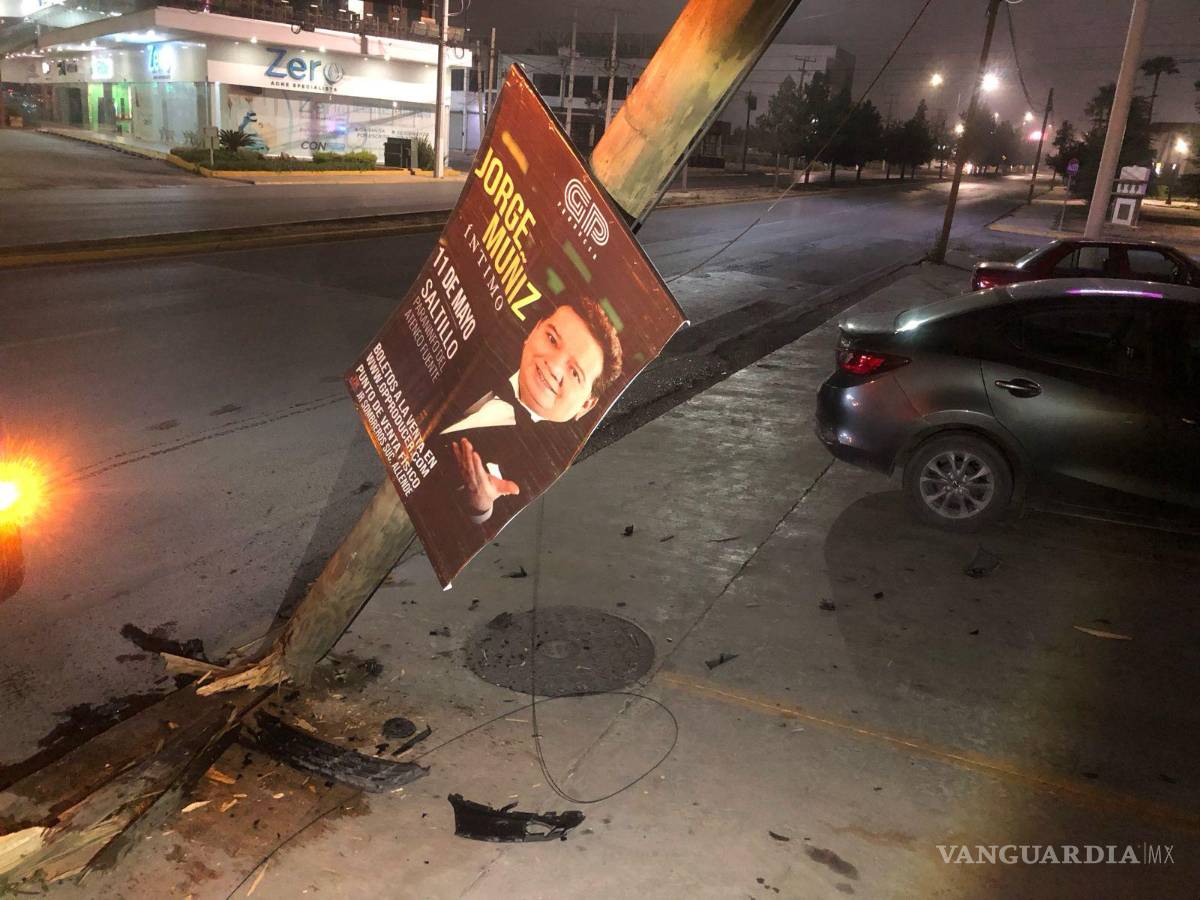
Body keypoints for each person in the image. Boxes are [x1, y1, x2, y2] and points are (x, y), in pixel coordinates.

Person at [440, 299, 622, 523]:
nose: (554, 367)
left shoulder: (549, 472)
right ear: (534, 330)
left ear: (586, 405)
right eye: (552, 339)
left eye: (575, 373)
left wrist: (480, 507)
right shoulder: (476, 345)